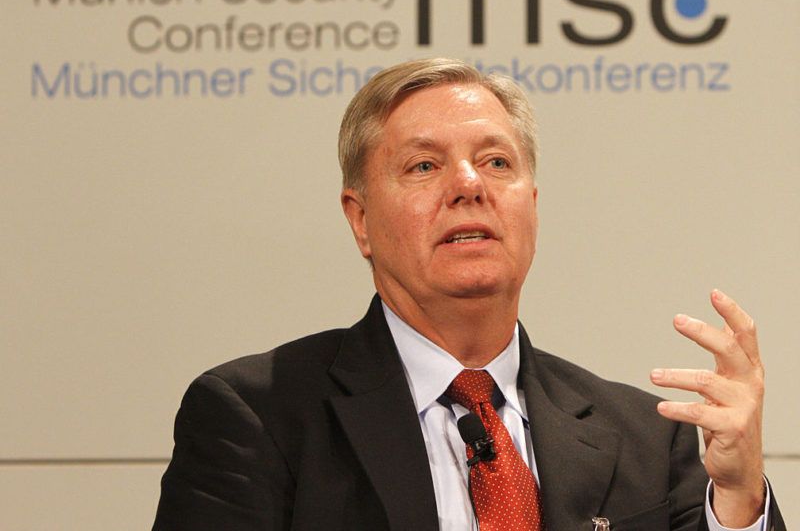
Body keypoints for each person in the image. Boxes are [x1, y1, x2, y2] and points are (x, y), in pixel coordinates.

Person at [153, 58, 784, 530]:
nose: (468, 185)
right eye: (424, 166)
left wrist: (737, 501)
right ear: (360, 220)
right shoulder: (258, 417)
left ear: (531, 206)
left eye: (496, 162)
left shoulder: (649, 438)